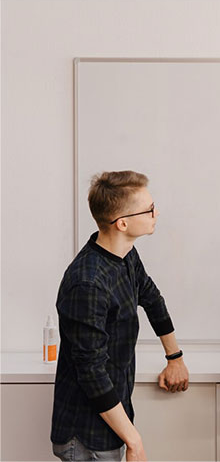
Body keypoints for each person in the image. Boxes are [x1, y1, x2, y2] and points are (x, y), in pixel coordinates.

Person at [51, 171, 190, 461]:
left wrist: (174, 357)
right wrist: (134, 440)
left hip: (110, 423)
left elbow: (152, 299)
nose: (156, 213)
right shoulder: (87, 283)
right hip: (86, 434)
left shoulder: (125, 255)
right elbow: (92, 373)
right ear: (122, 223)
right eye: (149, 209)